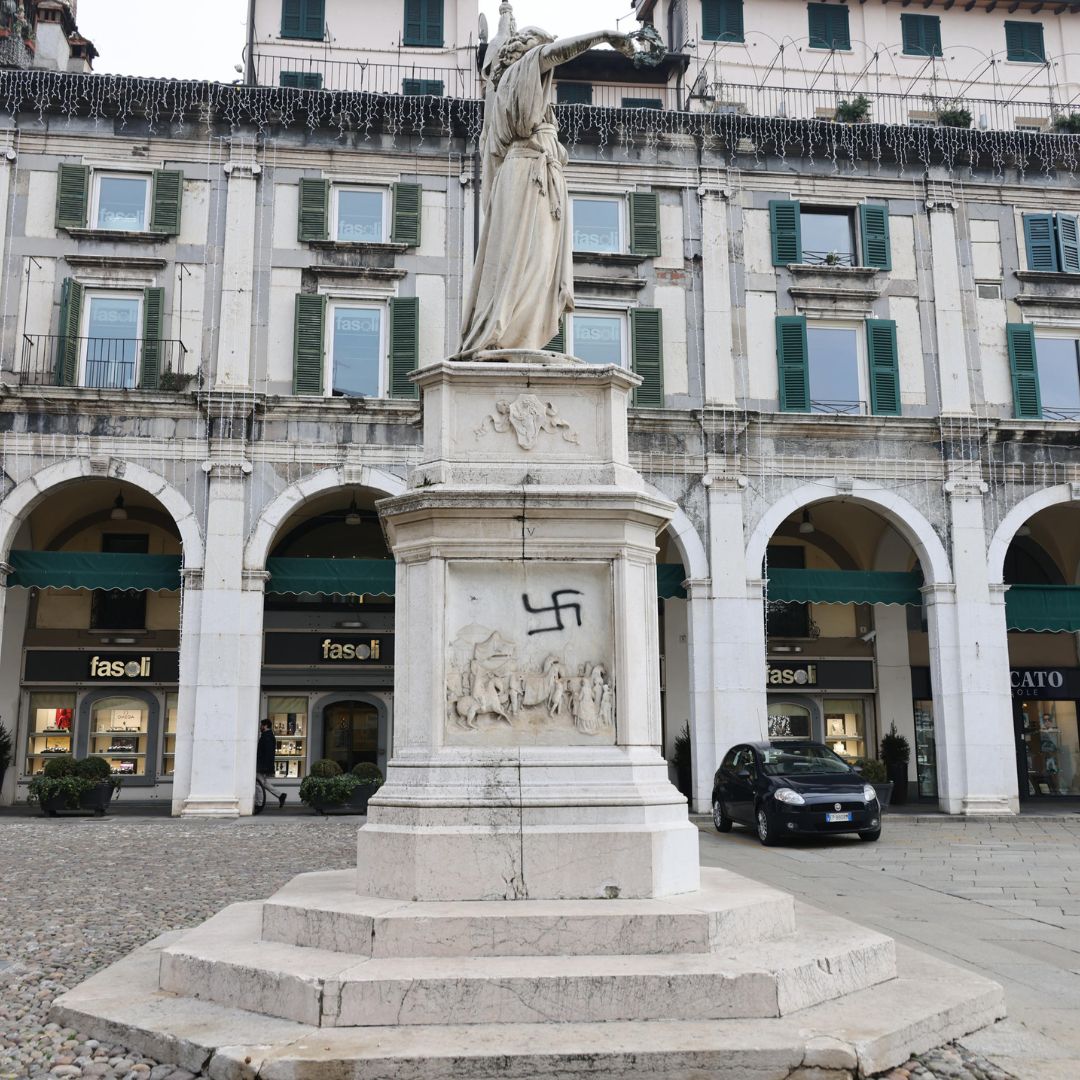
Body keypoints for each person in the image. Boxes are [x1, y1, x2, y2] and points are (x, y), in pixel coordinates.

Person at [458, 3, 635, 357]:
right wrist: (603, 36)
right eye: (540, 49)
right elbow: (555, 52)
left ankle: (518, 335)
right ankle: (505, 333)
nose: (547, 66)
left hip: (535, 178)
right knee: (525, 260)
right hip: (527, 177)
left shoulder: (517, 90)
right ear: (526, 52)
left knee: (535, 264)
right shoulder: (518, 73)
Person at [257, 719, 287, 808]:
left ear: (265, 726)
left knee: (258, 784)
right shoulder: (268, 736)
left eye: (261, 725)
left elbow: (267, 753)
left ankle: (259, 804)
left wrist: (263, 767)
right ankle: (280, 795)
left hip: (262, 765)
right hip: (264, 765)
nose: (260, 727)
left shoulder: (267, 737)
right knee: (263, 782)